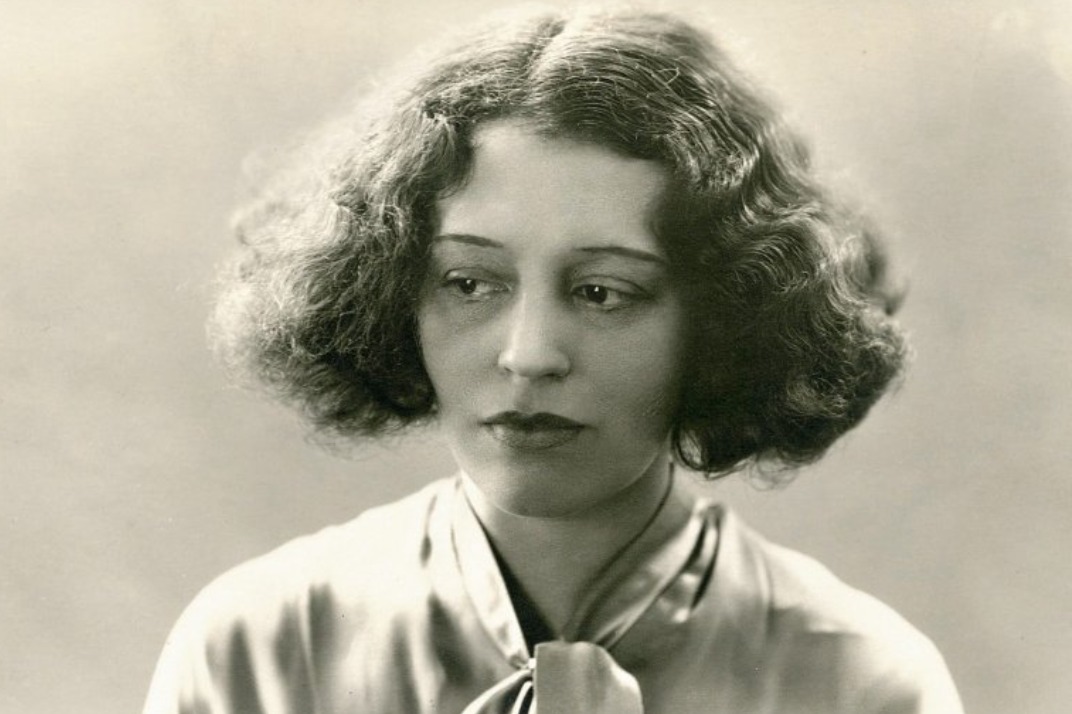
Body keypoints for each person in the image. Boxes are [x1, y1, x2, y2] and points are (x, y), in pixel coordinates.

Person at [146, 6, 962, 713]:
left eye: (604, 292)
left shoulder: (859, 682)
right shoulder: (260, 650)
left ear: (722, 321)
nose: (528, 355)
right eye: (469, 283)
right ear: (394, 289)